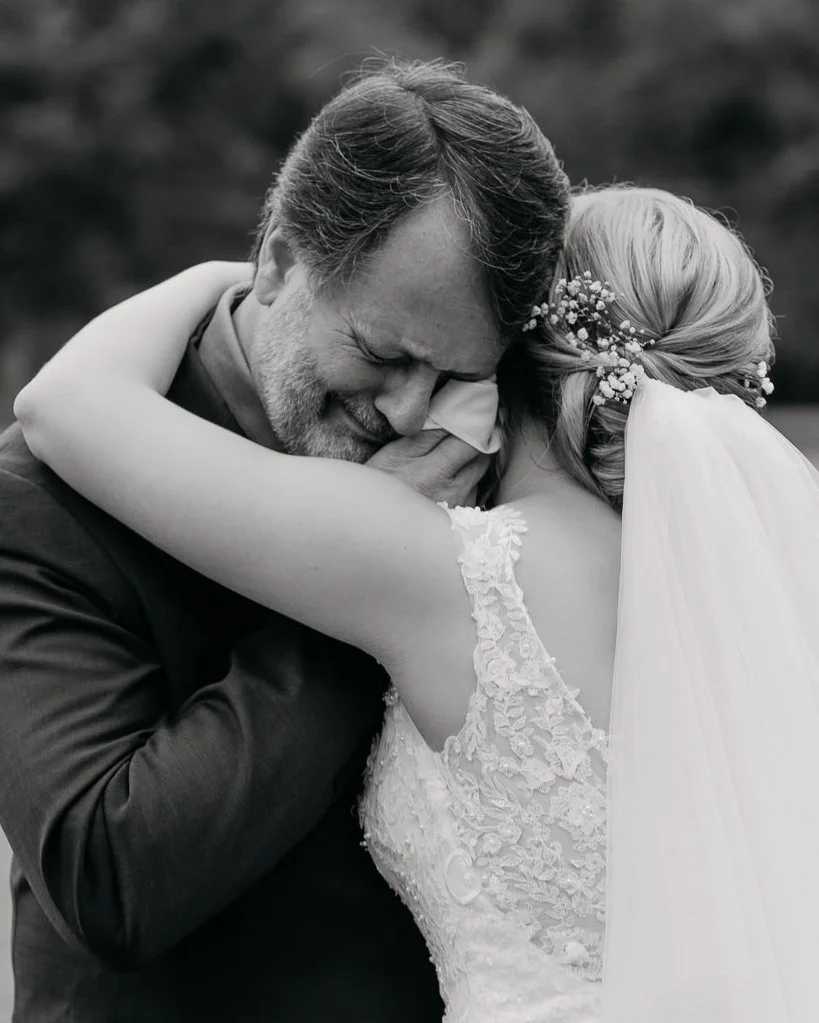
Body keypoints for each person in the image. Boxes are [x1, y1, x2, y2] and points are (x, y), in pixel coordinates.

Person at [18, 183, 819, 1022]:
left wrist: (226, 277)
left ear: (504, 344)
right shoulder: (759, 602)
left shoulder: (444, 566)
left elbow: (65, 404)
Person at [0, 59, 571, 1022]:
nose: (405, 408)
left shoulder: (489, 469)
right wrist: (372, 585)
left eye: (451, 374)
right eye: (383, 355)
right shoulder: (41, 498)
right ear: (277, 261)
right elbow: (107, 874)